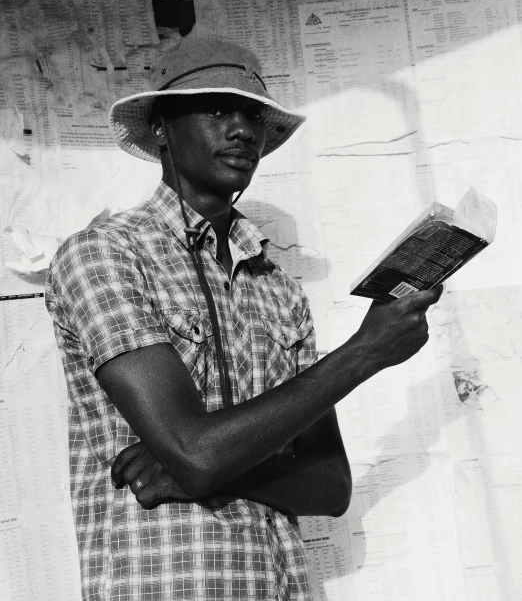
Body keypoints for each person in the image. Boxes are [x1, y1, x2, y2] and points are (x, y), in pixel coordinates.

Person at [45, 32, 443, 601]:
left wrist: (204, 467)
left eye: (253, 116)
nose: (241, 130)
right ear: (160, 128)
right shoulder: (105, 254)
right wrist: (365, 353)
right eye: (216, 109)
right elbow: (195, 451)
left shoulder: (278, 289)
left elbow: (331, 488)